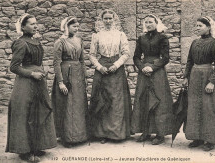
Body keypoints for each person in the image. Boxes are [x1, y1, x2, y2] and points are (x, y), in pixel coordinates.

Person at [6, 13, 57, 162]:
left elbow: (38, 62)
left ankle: (36, 146)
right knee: (27, 115)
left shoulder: (36, 41)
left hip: (39, 81)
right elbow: (14, 67)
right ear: (23, 27)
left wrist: (43, 70)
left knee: (39, 112)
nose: (35, 26)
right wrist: (31, 74)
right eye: (32, 24)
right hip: (26, 83)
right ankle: (25, 151)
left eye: (36, 23)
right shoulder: (21, 43)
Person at [182, 16, 215, 151]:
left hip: (207, 76)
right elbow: (189, 61)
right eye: (196, 26)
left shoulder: (214, 43)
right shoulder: (194, 43)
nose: (197, 28)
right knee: (194, 106)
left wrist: (212, 82)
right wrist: (186, 77)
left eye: (200, 26)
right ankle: (197, 137)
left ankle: (210, 139)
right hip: (194, 76)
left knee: (208, 108)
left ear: (208, 27)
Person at [88, 9, 132, 144]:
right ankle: (102, 133)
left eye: (110, 19)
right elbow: (91, 54)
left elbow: (126, 53)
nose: (108, 21)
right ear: (102, 20)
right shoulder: (97, 35)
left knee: (116, 100)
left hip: (116, 69)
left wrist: (116, 65)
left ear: (114, 20)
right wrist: (99, 67)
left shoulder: (120, 34)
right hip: (102, 68)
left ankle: (117, 133)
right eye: (105, 19)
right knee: (102, 99)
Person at [131, 14, 174, 145]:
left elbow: (165, 58)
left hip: (157, 72)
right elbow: (136, 57)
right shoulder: (141, 38)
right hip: (144, 72)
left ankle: (160, 133)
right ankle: (145, 131)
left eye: (151, 22)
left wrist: (152, 67)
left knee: (159, 101)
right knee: (144, 100)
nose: (148, 24)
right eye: (146, 22)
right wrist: (142, 67)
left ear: (156, 23)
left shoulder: (162, 37)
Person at [51, 16, 88, 147]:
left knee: (78, 105)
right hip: (66, 74)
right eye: (74, 26)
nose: (76, 29)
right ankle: (67, 137)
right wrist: (60, 82)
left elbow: (82, 60)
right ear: (67, 27)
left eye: (78, 26)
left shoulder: (79, 40)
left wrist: (85, 76)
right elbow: (56, 63)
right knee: (67, 105)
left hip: (78, 75)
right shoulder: (60, 42)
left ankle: (80, 135)